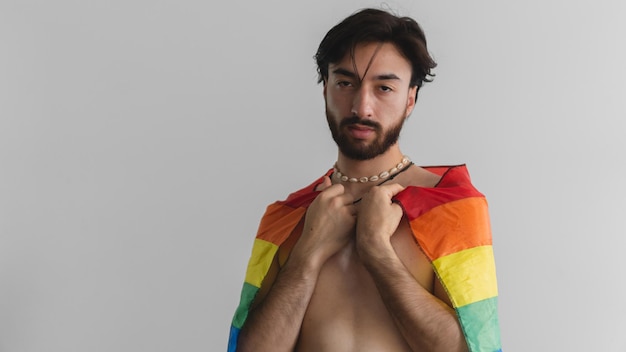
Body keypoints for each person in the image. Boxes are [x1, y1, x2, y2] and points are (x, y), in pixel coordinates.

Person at [227, 8, 501, 352]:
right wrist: (306, 255)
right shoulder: (288, 217)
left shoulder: (451, 208)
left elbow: (471, 349)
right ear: (325, 89)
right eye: (345, 83)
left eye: (384, 87)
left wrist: (377, 251)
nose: (361, 106)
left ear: (410, 98)